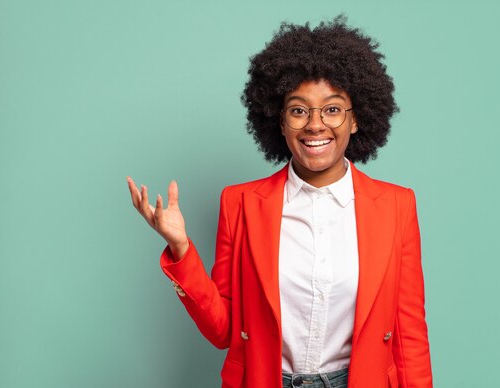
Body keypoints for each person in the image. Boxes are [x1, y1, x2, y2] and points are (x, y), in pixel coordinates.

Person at [127, 16, 432, 388]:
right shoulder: (239, 203)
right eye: (299, 110)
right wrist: (180, 248)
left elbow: (410, 334)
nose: (315, 125)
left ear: (356, 120)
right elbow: (223, 330)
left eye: (333, 109)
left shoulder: (397, 205)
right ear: (280, 121)